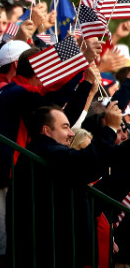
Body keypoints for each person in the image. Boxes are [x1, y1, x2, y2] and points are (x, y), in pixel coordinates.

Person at [11, 102, 123, 268]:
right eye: (65, 127)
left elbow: (94, 167)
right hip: (48, 253)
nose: (71, 133)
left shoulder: (47, 152)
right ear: (46, 131)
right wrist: (110, 129)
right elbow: (86, 164)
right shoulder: (46, 151)